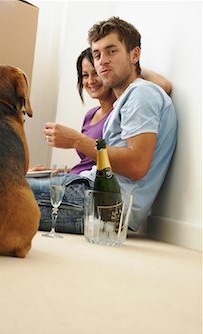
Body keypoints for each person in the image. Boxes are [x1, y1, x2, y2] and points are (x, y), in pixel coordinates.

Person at [27, 39, 175, 233]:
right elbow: (94, 166)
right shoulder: (95, 114)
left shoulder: (134, 101)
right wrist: (59, 171)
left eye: (96, 72)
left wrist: (127, 63)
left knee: (6, 190)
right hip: (86, 180)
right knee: (10, 182)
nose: (91, 80)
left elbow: (163, 85)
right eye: (85, 75)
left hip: (102, 194)